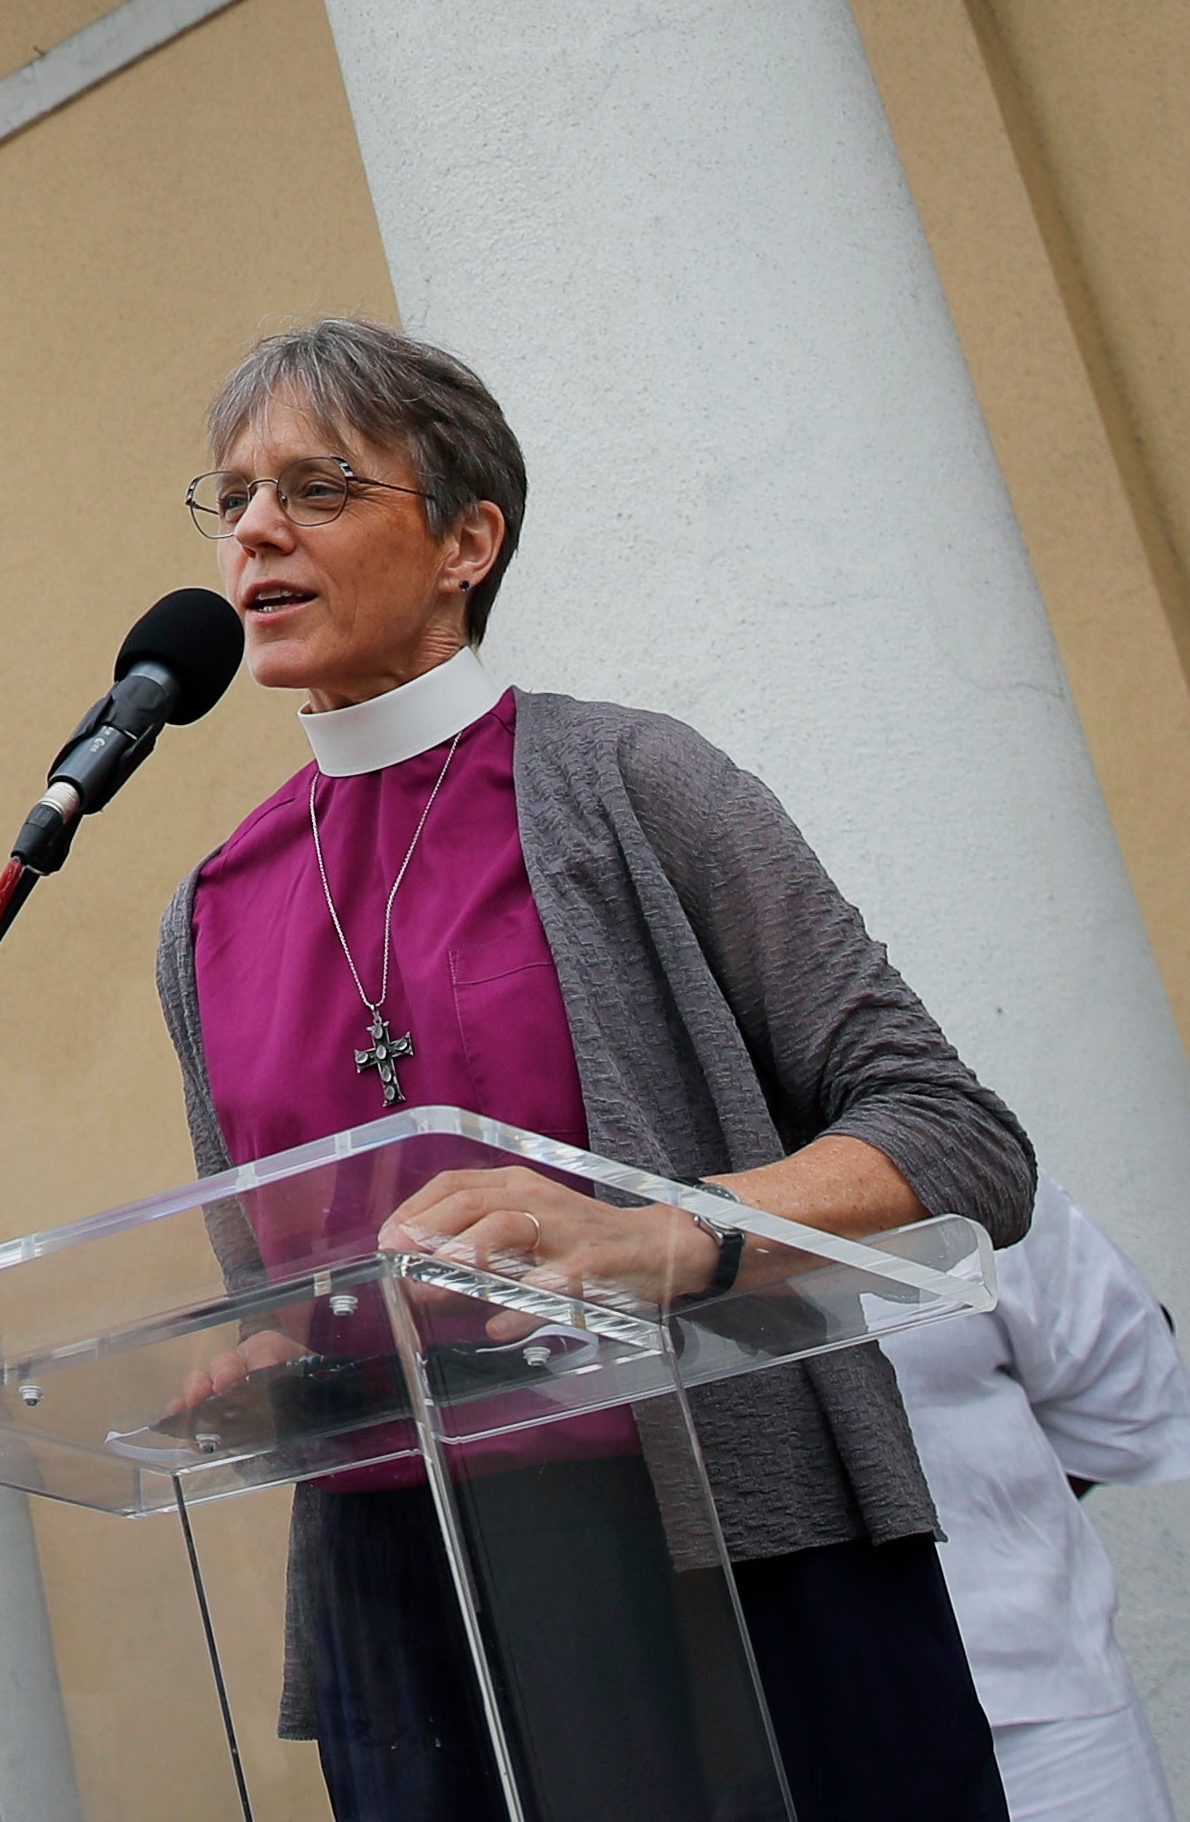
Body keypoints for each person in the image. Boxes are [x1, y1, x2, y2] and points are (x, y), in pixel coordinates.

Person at [157, 317, 1034, 1822]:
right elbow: (286, 1289)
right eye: (231, 495)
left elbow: (957, 1136)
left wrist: (659, 1233)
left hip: (717, 1553)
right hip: (406, 1606)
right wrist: (279, 1365)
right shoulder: (212, 911)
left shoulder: (631, 783)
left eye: (315, 487)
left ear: (464, 540)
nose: (252, 531)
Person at [879, 1178, 1190, 1822]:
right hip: (753, 1740)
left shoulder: (940, 1165)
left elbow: (1119, 1380)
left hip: (1042, 1715)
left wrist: (991, 1540)